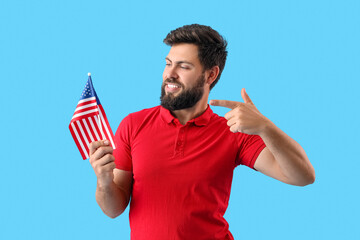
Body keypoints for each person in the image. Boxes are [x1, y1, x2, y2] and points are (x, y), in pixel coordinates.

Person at [89, 24, 315, 240]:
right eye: (168, 63)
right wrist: (104, 181)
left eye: (183, 66)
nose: (170, 74)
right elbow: (113, 209)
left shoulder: (233, 130)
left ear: (210, 75)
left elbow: (302, 176)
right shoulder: (133, 124)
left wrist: (266, 127)